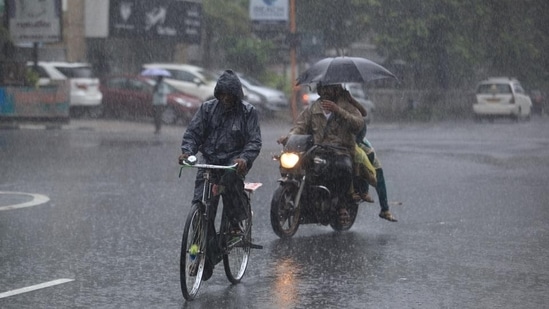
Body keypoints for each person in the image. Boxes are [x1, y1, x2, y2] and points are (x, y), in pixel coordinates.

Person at [178, 70, 262, 280]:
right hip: (209, 162)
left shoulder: (247, 112)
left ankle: (236, 221)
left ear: (236, 94)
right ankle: (203, 258)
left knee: (230, 182)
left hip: (232, 164)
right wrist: (187, 151)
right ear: (218, 93)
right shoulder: (207, 109)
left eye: (229, 95)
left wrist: (243, 159)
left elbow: (254, 142)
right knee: (202, 208)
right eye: (222, 94)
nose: (225, 99)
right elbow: (193, 134)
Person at [277, 83, 364, 222]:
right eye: (323, 88)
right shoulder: (314, 108)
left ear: (336, 89)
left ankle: (342, 205)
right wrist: (288, 138)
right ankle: (303, 197)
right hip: (317, 150)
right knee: (297, 165)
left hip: (340, 151)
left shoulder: (347, 106)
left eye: (329, 88)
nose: (325, 91)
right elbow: (300, 126)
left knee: (343, 168)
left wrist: (338, 111)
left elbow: (358, 125)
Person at [354, 121, 397, 222]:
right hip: (334, 142)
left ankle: (384, 209)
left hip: (360, 150)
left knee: (377, 175)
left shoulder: (365, 148)